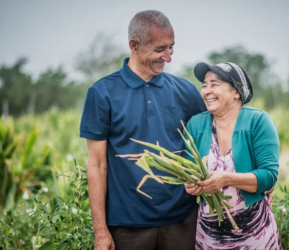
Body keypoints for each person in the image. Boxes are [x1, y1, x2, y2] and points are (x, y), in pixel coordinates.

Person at [79, 10, 206, 250]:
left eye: (172, 48)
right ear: (134, 45)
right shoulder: (102, 93)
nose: (168, 57)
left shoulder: (186, 92)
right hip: (126, 225)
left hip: (183, 220)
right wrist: (100, 231)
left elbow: (214, 141)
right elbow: (96, 165)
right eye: (160, 49)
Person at [184, 62, 282, 250]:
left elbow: (269, 176)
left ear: (236, 91)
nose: (207, 91)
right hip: (210, 235)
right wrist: (191, 185)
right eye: (204, 85)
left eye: (215, 84)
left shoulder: (258, 121)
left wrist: (226, 179)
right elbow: (189, 173)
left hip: (255, 232)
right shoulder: (195, 125)